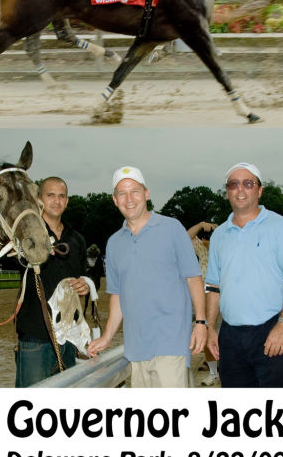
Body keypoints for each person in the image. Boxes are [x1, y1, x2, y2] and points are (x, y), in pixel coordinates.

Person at [87, 166, 207, 388]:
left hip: (171, 344)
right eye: (122, 193)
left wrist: (201, 322)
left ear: (146, 194)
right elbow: (117, 296)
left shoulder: (172, 228)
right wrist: (106, 336)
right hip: (135, 348)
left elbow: (193, 277)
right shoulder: (114, 243)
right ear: (115, 200)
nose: (129, 198)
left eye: (135, 191)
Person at [205, 163, 283, 388]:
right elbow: (213, 286)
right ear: (227, 192)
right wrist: (210, 328)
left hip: (271, 329)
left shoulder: (282, 227)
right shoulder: (219, 236)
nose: (240, 189)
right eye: (234, 184)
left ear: (259, 190)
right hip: (230, 336)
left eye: (248, 183)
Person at [16, 176, 89, 386]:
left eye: (61, 196)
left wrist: (86, 283)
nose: (56, 201)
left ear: (66, 201)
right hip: (35, 337)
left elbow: (86, 274)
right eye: (50, 195)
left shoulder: (77, 239)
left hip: (68, 338)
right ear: (39, 200)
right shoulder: (24, 236)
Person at [188, 221, 220, 387]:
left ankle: (221, 369)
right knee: (208, 333)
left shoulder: (229, 247)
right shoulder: (204, 250)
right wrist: (200, 225)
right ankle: (214, 372)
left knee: (226, 336)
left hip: (228, 296)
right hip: (207, 296)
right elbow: (187, 237)